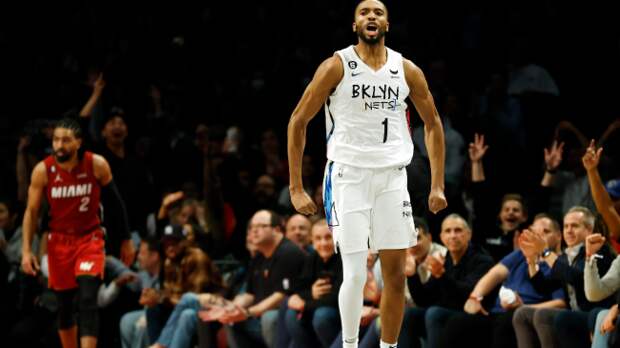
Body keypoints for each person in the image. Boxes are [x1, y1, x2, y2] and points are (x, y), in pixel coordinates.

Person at [287, 1, 447, 347]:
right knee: (356, 272)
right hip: (349, 176)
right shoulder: (337, 65)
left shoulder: (406, 70)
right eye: (364, 12)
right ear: (355, 24)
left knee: (394, 275)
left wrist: (437, 184)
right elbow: (298, 120)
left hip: (392, 177)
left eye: (378, 12)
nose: (371, 16)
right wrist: (295, 186)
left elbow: (433, 124)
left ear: (387, 24)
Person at [20, 118, 134, 348]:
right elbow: (31, 212)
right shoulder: (43, 170)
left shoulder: (96, 164)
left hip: (89, 238)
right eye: (56, 140)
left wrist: (126, 239)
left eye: (66, 140)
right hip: (59, 241)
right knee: (65, 306)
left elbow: (116, 203)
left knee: (88, 297)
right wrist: (25, 250)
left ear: (78, 143)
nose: (59, 145)